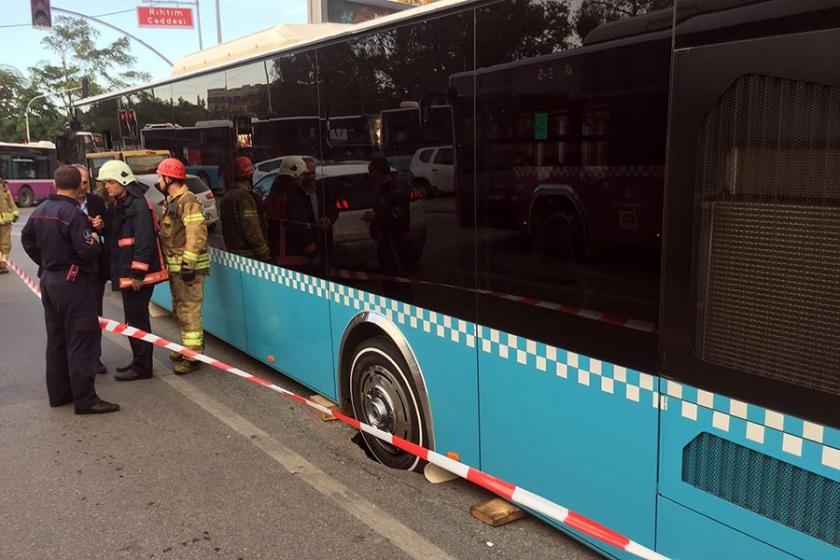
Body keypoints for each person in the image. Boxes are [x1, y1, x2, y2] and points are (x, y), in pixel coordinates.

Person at [20, 165, 119, 414]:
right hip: (72, 282)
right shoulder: (73, 214)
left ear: (55, 184)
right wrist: (95, 242)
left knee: (56, 340)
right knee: (81, 339)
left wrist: (45, 261)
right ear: (78, 187)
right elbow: (87, 250)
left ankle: (59, 393)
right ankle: (85, 399)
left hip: (49, 280)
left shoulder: (40, 210)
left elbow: (27, 239)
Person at [97, 160, 168, 381]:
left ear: (123, 181)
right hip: (128, 271)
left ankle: (143, 367)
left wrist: (138, 273)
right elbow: (116, 233)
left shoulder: (137, 205)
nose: (106, 187)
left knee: (137, 321)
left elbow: (145, 241)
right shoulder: (121, 203)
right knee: (133, 321)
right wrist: (101, 225)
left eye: (110, 182)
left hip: (137, 275)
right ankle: (139, 362)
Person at [156, 158, 210, 375]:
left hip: (188, 269)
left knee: (190, 311)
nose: (159, 180)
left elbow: (196, 233)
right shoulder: (173, 200)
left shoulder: (187, 201)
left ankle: (193, 356)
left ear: (168, 178)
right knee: (180, 308)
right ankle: (187, 347)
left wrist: (188, 264)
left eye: (160, 176)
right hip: (177, 268)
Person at [72, 164, 108, 375]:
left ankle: (95, 358)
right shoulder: (63, 204)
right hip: (72, 271)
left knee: (96, 314)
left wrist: (101, 227)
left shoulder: (96, 202)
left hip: (94, 270)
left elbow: (106, 232)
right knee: (76, 317)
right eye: (80, 183)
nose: (83, 187)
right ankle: (78, 359)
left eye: (86, 182)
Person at [364, 156, 412, 276]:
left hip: (395, 241)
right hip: (385, 241)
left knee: (398, 278)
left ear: (377, 172)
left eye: (371, 172)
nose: (369, 175)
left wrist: (377, 217)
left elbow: (397, 216)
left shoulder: (397, 189)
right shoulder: (381, 189)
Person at [219, 156, 271, 261]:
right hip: (250, 257)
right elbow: (252, 231)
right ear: (249, 176)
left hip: (233, 255)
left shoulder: (227, 196)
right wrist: (265, 255)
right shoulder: (244, 197)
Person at [0, 176, 19, 272]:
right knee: (5, 245)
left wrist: (15, 214)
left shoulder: (3, 187)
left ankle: (2, 265)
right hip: (4, 223)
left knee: (5, 245)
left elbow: (11, 203)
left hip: (5, 223)